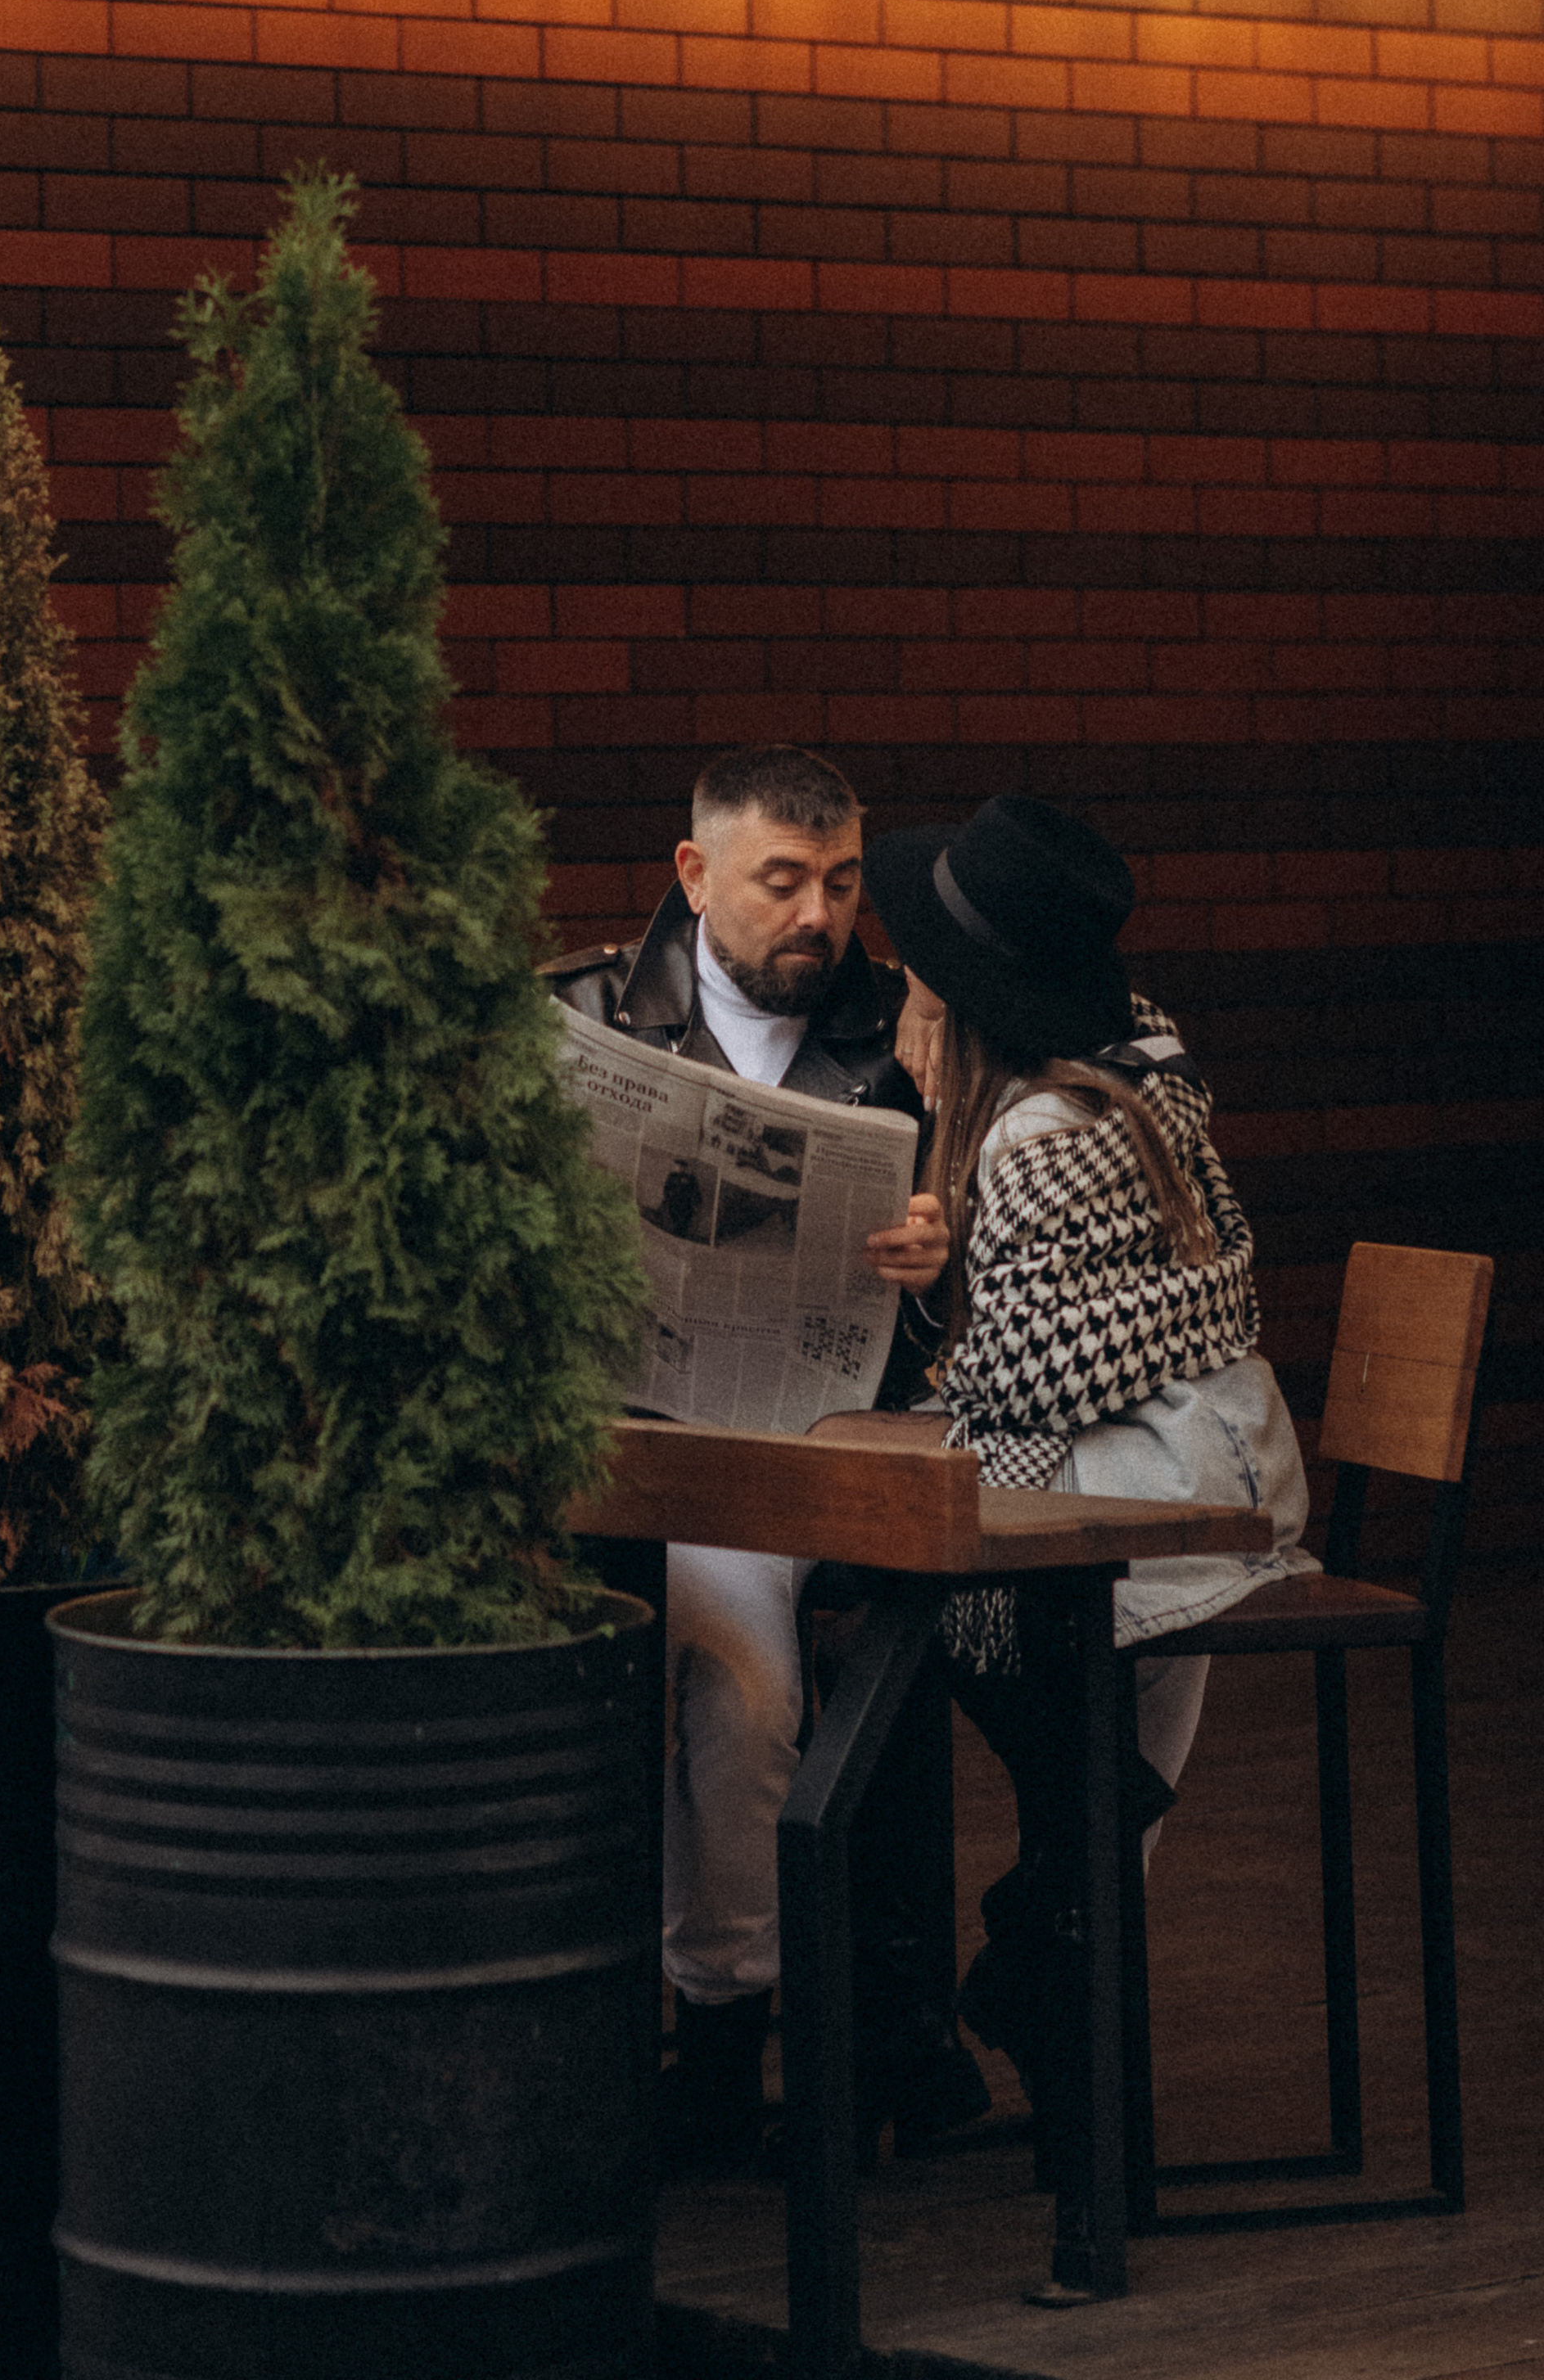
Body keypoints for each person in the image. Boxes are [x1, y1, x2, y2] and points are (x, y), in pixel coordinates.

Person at [860, 793, 1314, 2184]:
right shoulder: (1139, 1068)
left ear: (969, 1005)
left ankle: (1043, 1952)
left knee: (920, 1605)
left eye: (922, 981)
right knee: (1065, 1746)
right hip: (1219, 1465)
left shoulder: (1039, 1137)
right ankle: (1061, 1968)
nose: (905, 999)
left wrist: (943, 1305)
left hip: (1166, 1500)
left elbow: (1016, 1393)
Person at [550, 745, 982, 2175]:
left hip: (824, 1444)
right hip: (629, 1452)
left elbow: (967, 1307)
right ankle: (750, 2020)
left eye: (844, 884)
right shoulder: (588, 1019)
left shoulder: (903, 1027)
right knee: (734, 1679)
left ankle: (741, 2029)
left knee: (749, 1688)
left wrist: (933, 1263)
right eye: (783, 882)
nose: (819, 916)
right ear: (694, 875)